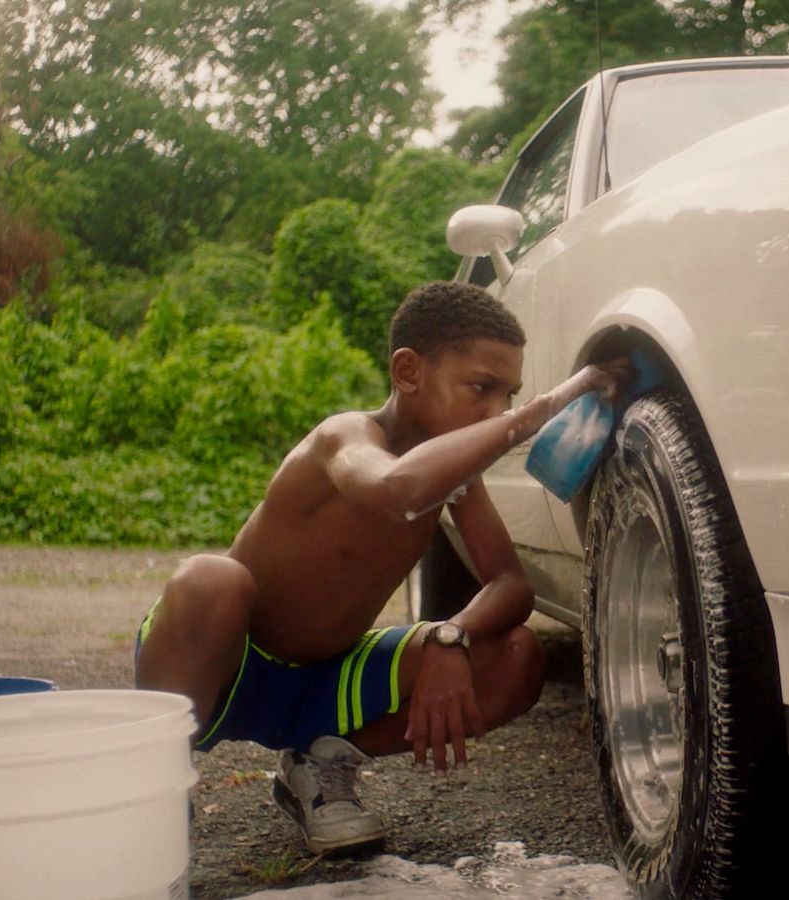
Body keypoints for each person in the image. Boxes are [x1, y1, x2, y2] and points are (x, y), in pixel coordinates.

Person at [133, 281, 625, 854]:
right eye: (481, 389)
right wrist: (543, 410)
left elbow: (510, 584)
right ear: (408, 371)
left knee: (519, 657)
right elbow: (400, 488)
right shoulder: (345, 437)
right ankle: (154, 780)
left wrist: (451, 637)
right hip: (229, 665)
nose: (498, 412)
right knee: (209, 579)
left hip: (328, 680)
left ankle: (317, 762)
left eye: (510, 396)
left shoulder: (459, 480)